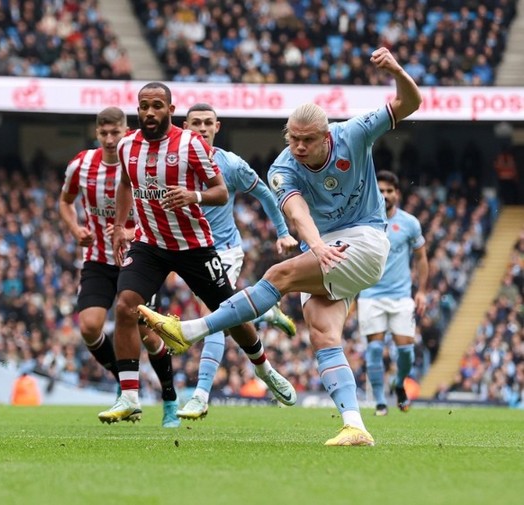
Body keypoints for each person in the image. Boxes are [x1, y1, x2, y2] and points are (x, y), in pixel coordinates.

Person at [139, 47, 423, 446]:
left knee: (279, 274)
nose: (299, 147)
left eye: (308, 140)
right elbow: (295, 210)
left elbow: (410, 102)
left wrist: (396, 70)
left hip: (367, 240)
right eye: (293, 139)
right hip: (330, 250)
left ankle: (190, 330)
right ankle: (355, 424)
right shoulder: (282, 167)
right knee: (323, 334)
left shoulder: (354, 133)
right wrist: (316, 245)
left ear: (327, 136)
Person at [99, 82, 295, 423]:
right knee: (126, 305)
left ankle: (264, 368)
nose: (149, 112)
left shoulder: (190, 145)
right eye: (144, 105)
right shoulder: (128, 145)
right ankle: (129, 395)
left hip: (195, 247)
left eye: (157, 105)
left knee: (229, 313)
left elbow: (220, 192)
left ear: (170, 111)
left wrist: (195, 197)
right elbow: (126, 185)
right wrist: (119, 226)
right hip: (151, 245)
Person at [177, 103, 300, 420]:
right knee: (230, 319)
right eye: (196, 123)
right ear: (184, 127)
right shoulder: (172, 164)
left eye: (208, 123)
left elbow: (264, 193)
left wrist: (283, 232)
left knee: (215, 316)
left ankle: (201, 395)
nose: (202, 128)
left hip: (224, 250)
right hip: (187, 253)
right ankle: (262, 313)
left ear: (217, 127)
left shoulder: (229, 164)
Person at [59, 106, 180, 427]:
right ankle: (125, 383)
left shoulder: (139, 161)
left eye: (117, 132)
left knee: (148, 335)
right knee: (88, 327)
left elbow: (155, 207)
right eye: (105, 133)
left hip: (137, 257)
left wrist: (129, 231)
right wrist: (76, 230)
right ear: (97, 133)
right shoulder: (81, 165)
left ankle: (169, 397)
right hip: (98, 260)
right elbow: (64, 201)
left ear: (127, 130)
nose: (111, 139)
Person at [358, 170, 429, 416]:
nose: (385, 195)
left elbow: (421, 258)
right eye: (380, 190)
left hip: (401, 297)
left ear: (397, 194)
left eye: (389, 191)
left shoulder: (409, 223)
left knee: (406, 352)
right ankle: (379, 401)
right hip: (370, 295)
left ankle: (399, 384)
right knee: (375, 349)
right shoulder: (363, 221)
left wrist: (421, 291)